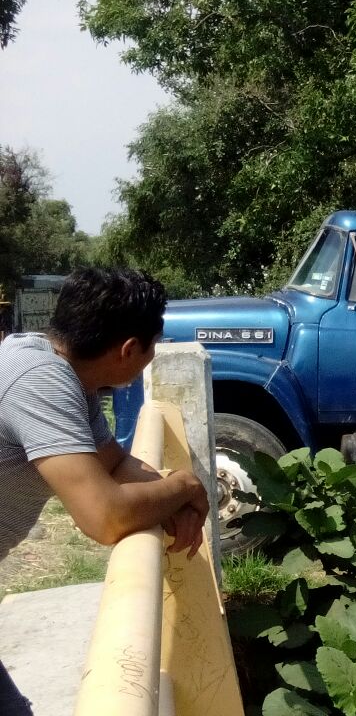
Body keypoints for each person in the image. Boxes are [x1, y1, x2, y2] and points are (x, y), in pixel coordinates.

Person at [0, 268, 209, 715]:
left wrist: (178, 499)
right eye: (154, 345)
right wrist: (184, 485)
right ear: (129, 349)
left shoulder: (69, 374)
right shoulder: (41, 380)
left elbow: (115, 464)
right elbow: (104, 516)